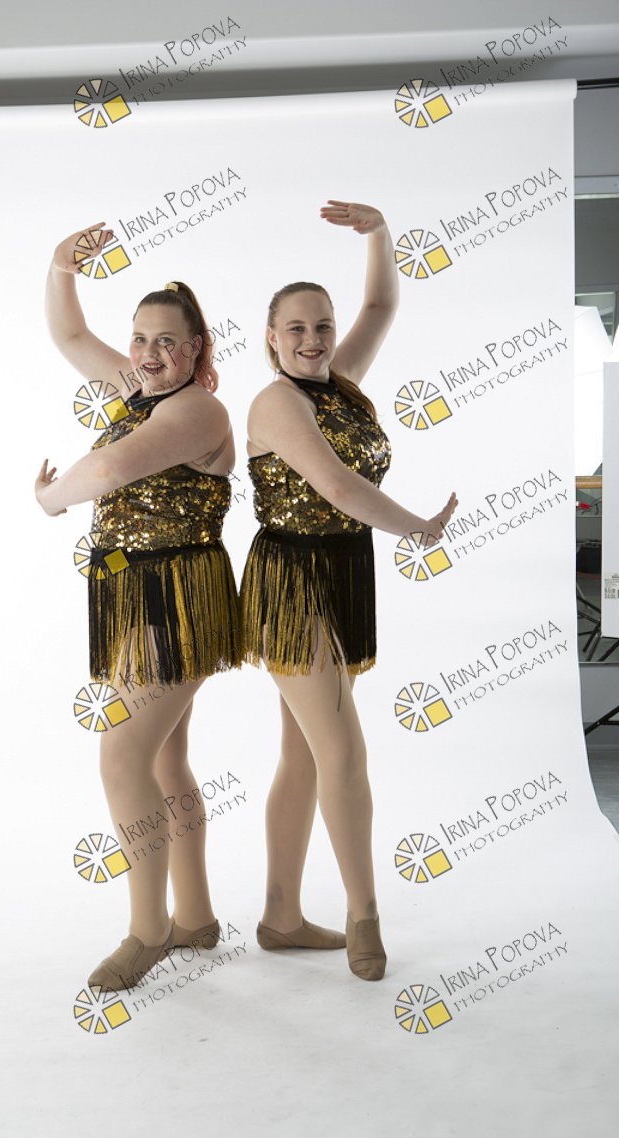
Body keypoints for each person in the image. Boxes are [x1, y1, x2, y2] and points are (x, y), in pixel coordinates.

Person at [239, 200, 458, 981]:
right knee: (343, 751)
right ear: (271, 337)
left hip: (343, 572)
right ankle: (365, 913)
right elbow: (335, 485)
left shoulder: (340, 383)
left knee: (303, 754)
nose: (313, 338)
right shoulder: (277, 402)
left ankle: (280, 916)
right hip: (291, 581)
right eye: (296, 328)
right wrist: (417, 526)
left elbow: (382, 305)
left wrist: (379, 235)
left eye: (323, 326)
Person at [35, 222, 243, 991]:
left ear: (196, 349)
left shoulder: (196, 412)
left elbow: (108, 469)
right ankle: (195, 916)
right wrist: (61, 266)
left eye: (166, 342)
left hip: (178, 598)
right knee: (164, 758)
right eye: (139, 339)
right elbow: (69, 335)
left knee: (122, 757)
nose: (149, 354)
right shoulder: (140, 388)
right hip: (138, 593)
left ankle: (148, 931)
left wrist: (49, 498)